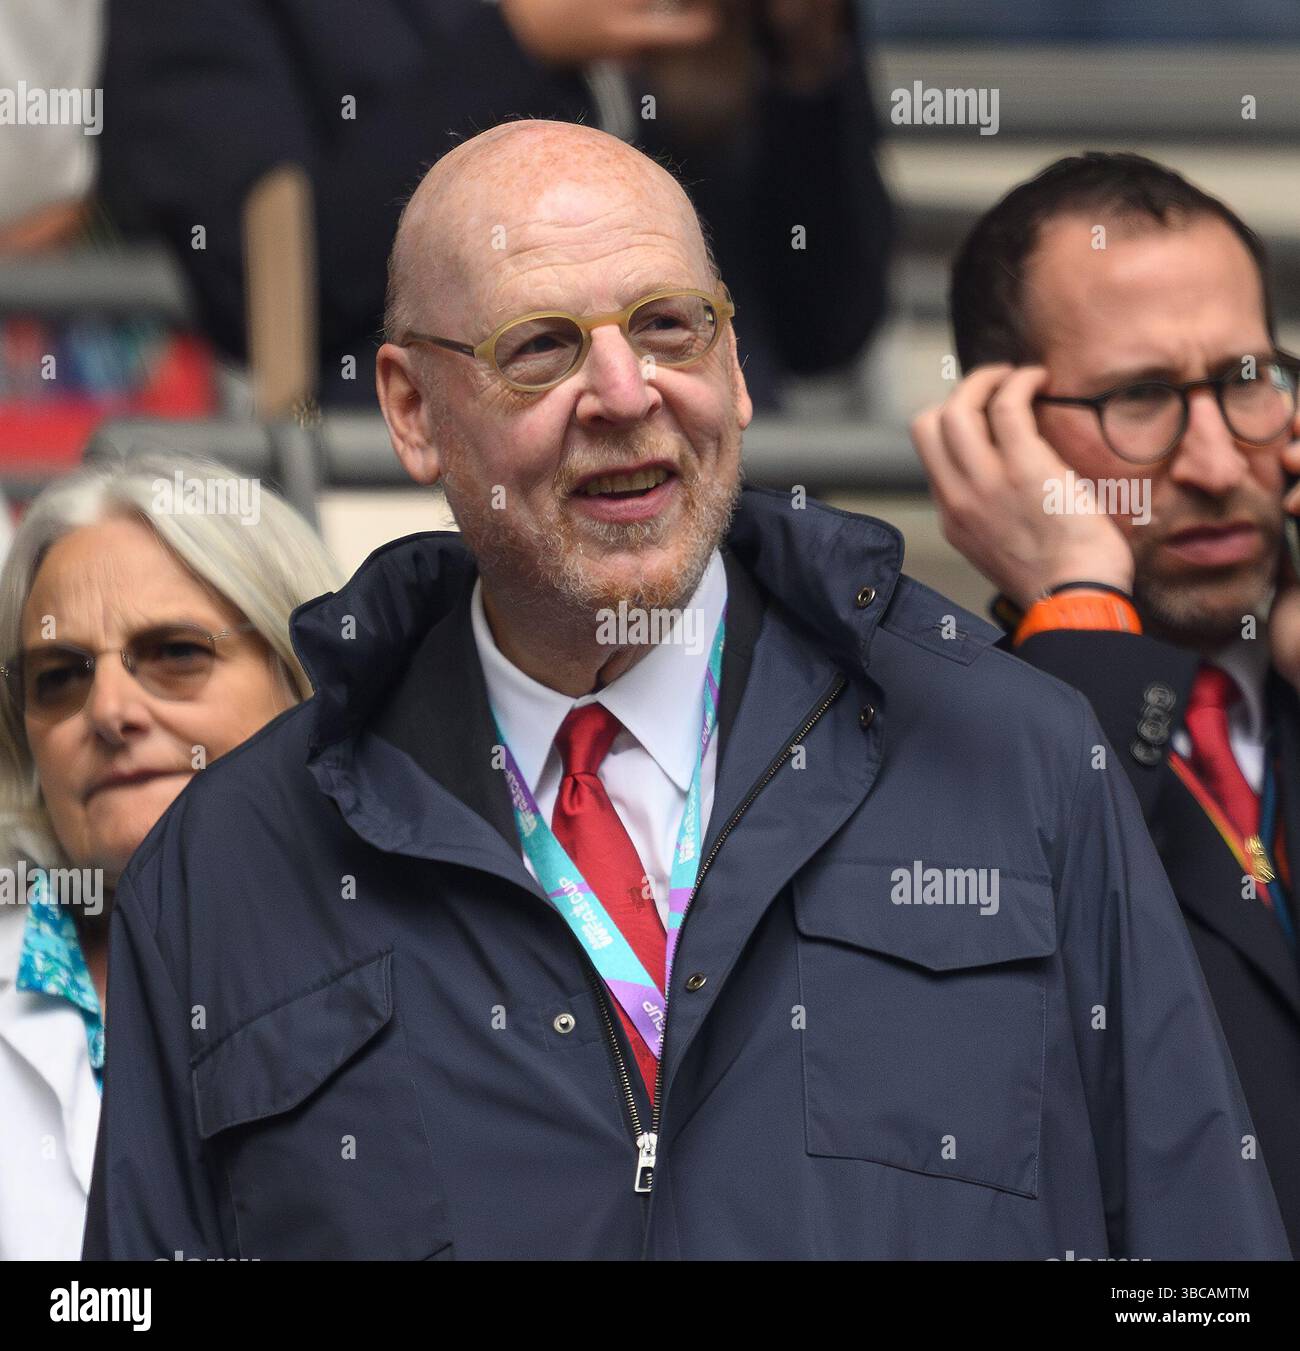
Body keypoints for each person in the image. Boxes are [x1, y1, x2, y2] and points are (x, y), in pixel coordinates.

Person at [84, 122, 1287, 1260]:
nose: (625, 392)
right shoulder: (226, 864)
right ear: (410, 408)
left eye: (670, 327)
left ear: (737, 368)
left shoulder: (1011, 749)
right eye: (542, 345)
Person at [912, 151, 1300, 1255]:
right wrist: (1081, 609)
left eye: (1244, 378)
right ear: (1005, 434)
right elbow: (991, 1077)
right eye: (1140, 398)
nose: (1220, 460)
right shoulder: (922, 732)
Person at [97, 0, 892, 409]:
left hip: (726, 502)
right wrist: (517, 44)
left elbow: (831, 326)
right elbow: (257, 277)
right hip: (404, 514)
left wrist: (805, 48)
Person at [0, 450, 342, 1259]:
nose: (110, 709)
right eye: (60, 675)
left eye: (176, 653)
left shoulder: (444, 946)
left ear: (303, 677)